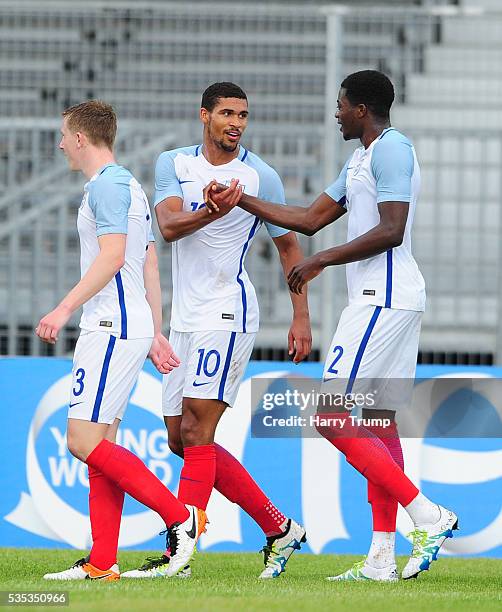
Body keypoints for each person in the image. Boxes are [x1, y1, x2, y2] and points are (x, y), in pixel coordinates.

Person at [204, 71, 458, 581]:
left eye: (341, 105)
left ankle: (426, 515)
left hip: (381, 298)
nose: (336, 113)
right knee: (380, 421)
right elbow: (308, 217)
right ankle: (382, 557)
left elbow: (392, 229)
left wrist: (321, 262)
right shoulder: (361, 157)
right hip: (388, 298)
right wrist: (241, 200)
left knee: (331, 415)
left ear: (361, 108)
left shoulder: (391, 149)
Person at [122, 82, 312, 580]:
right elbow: (167, 226)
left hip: (228, 314)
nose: (236, 123)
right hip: (184, 319)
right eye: (227, 113)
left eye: (243, 115)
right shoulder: (174, 164)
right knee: (178, 440)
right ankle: (279, 528)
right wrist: (211, 210)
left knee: (196, 430)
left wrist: (301, 316)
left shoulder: (260, 175)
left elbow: (289, 247)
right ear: (204, 115)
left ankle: (178, 555)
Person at [38, 100, 204, 581]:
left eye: (65, 135)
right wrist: (154, 330)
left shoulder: (107, 187)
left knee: (81, 440)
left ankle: (179, 516)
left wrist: (64, 308)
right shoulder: (129, 185)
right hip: (127, 326)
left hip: (109, 328)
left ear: (83, 138)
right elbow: (147, 262)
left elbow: (113, 257)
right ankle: (102, 562)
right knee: (102, 443)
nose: (61, 143)